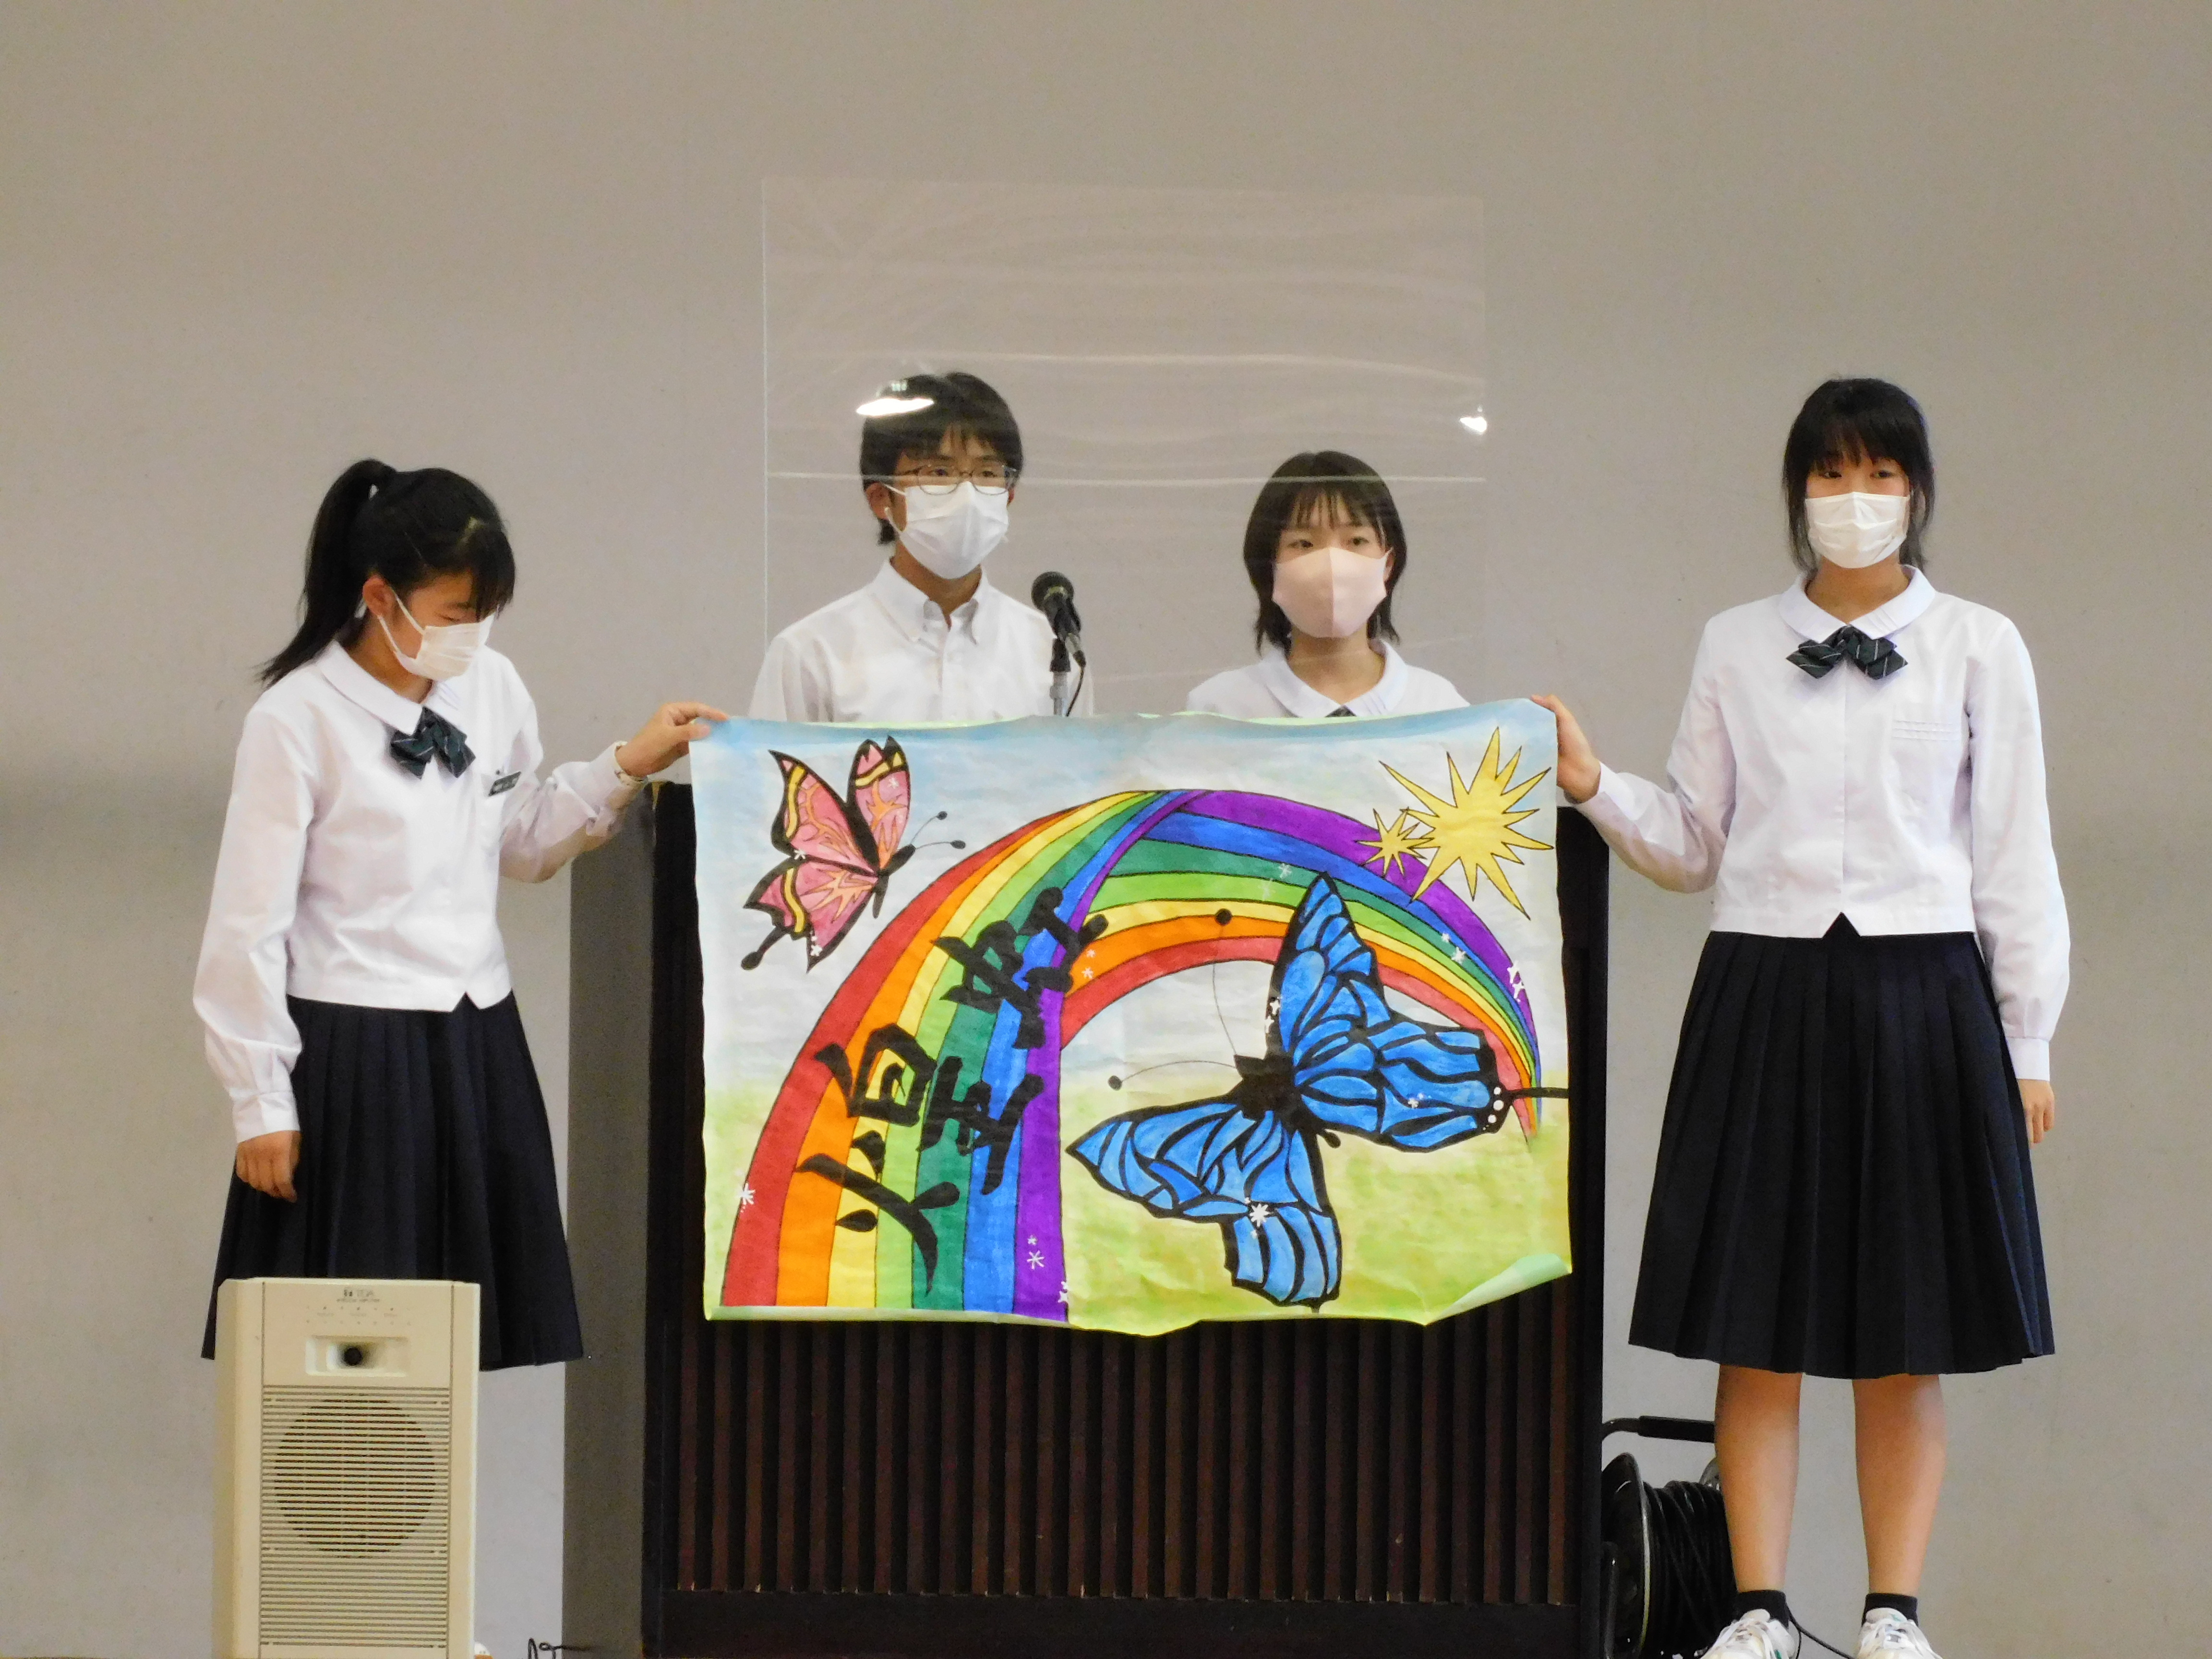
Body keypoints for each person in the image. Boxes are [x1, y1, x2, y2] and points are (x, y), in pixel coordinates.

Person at [1537, 380, 2064, 1659]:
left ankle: (1893, 1615)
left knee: (1906, 1335)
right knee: (1754, 1330)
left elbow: (2014, 854)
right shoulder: (1735, 642)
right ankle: (1757, 1611)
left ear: (1918, 492)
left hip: (1924, 996)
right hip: (1763, 991)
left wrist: (2028, 1038)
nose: (1854, 498)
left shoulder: (1980, 644)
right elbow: (1694, 842)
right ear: (1797, 493)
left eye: (1880, 474)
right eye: (1831, 474)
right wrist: (1595, 785)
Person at [197, 460, 725, 1368]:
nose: (473, 635)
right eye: (455, 613)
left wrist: (625, 765)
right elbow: (247, 926)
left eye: (486, 614)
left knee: (448, 1341)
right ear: (379, 597)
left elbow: (519, 843)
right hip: (354, 1050)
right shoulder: (296, 719)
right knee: (351, 1346)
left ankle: (436, 1471)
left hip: (475, 1034)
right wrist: (260, 1102)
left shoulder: (494, 686)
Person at [750, 371, 1082, 722]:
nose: (967, 495)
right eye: (939, 473)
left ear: (1008, 497)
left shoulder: (1053, 653)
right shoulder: (812, 655)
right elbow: (770, 761)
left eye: (987, 474)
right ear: (882, 498)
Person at [1186, 450, 1465, 718]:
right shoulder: (1218, 712)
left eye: (1356, 541)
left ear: (1388, 564)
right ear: (1270, 567)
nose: (1333, 563)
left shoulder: (1441, 709)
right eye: (1304, 543)